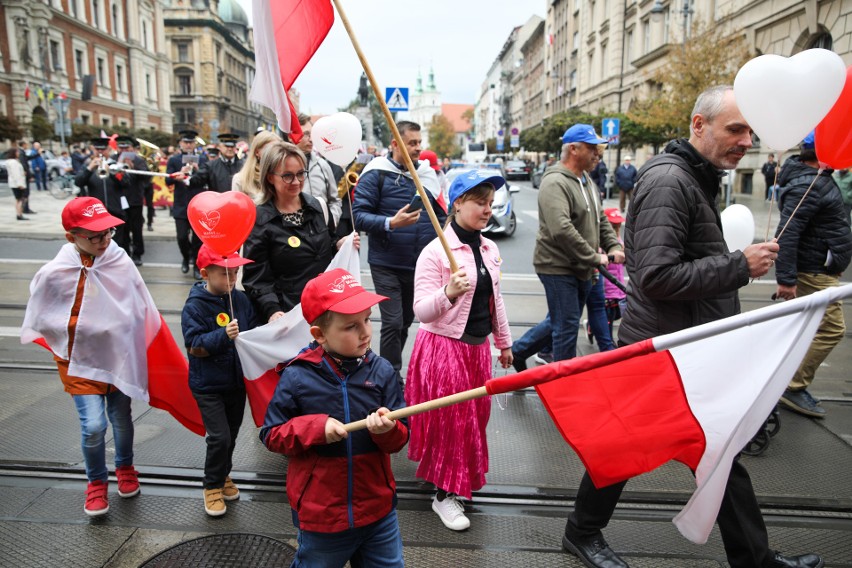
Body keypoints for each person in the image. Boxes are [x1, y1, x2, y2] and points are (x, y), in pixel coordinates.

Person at [561, 85, 821, 568]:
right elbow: (657, 277)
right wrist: (738, 265)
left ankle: (754, 558)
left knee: (717, 454)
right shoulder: (670, 181)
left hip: (686, 344)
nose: (746, 140)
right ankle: (581, 532)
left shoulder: (694, 176)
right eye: (735, 129)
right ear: (699, 126)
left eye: (751, 131)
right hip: (662, 350)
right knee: (638, 449)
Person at [260, 268, 408, 567]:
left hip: (378, 512)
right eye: (351, 326)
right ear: (319, 334)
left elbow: (400, 438)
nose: (366, 332)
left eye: (368, 319)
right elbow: (272, 434)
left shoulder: (382, 372)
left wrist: (387, 431)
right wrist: (315, 428)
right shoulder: (297, 377)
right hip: (322, 518)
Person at [20, 197, 144, 517]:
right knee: (93, 425)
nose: (104, 241)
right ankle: (96, 482)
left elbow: (137, 305)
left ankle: (125, 467)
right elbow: (43, 312)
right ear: (71, 237)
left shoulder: (118, 258)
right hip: (78, 359)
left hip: (116, 357)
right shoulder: (57, 270)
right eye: (95, 236)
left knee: (121, 419)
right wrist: (78, 326)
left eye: (108, 233)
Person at [405, 170, 513, 531]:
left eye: (490, 204)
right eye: (480, 203)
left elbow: (494, 300)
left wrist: (504, 343)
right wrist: (448, 292)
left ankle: (453, 482)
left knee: (473, 422)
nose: (487, 210)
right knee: (451, 423)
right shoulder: (436, 251)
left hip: (477, 351)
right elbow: (421, 311)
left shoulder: (489, 247)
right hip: (443, 349)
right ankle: (443, 496)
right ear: (458, 204)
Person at [353, 120, 447, 383]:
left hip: (419, 264)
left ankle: (386, 370)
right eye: (412, 143)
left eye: (419, 143)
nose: (418, 148)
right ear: (395, 144)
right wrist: (390, 223)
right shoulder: (376, 173)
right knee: (393, 322)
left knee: (406, 320)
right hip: (386, 262)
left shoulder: (428, 175)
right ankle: (389, 377)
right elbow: (358, 216)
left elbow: (441, 216)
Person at [774, 132, 852, 419]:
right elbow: (788, 232)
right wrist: (786, 279)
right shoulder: (808, 184)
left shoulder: (815, 179)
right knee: (832, 329)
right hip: (812, 271)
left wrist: (836, 257)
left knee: (805, 328)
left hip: (819, 267)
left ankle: (786, 381)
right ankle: (791, 385)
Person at [534, 124, 624, 364]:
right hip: (558, 266)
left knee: (562, 321)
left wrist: (613, 246)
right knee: (566, 329)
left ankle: (520, 352)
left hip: (581, 266)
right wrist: (595, 257)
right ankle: (562, 388)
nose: (597, 154)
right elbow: (561, 229)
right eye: (592, 148)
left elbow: (600, 218)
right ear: (573, 149)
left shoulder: (585, 180)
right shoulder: (555, 182)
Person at [242, 141, 356, 323]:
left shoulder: (317, 206)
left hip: (326, 306)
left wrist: (339, 244)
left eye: (301, 174)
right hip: (290, 313)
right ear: (270, 177)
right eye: (287, 176)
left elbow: (328, 243)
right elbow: (256, 277)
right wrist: (272, 310)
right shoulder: (259, 219)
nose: (296, 182)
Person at [181, 244, 256, 517]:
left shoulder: (240, 299)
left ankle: (224, 473)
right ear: (204, 274)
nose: (232, 280)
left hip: (236, 383)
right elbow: (195, 346)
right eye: (225, 274)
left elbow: (254, 331)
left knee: (231, 434)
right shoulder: (195, 305)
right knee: (219, 437)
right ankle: (211, 485)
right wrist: (223, 335)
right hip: (208, 385)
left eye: (235, 273)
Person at [75, 137, 131, 253]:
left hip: (115, 210)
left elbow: (126, 183)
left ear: (108, 149)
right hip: (96, 213)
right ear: (93, 149)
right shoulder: (87, 165)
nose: (100, 152)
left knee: (117, 244)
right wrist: (90, 169)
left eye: (103, 149)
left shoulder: (116, 164)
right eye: (97, 149)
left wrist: (112, 173)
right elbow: (78, 182)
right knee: (97, 244)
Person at [167, 129, 208, 278]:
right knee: (182, 237)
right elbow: (167, 180)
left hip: (198, 206)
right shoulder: (174, 160)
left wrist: (198, 171)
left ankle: (197, 266)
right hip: (181, 204)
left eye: (191, 142)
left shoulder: (203, 160)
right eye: (186, 142)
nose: (188, 145)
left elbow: (207, 179)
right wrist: (179, 172)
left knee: (198, 239)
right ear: (180, 143)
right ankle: (186, 257)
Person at [296, 114, 343, 225]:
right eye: (306, 134)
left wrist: (331, 222)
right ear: (291, 135)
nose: (311, 139)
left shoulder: (322, 165)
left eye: (312, 134)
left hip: (322, 234)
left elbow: (335, 200)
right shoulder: (281, 165)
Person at [115, 135, 149, 266]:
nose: (123, 150)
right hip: (119, 200)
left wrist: (132, 167)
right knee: (122, 228)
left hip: (135, 200)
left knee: (136, 229)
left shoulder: (138, 160)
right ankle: (124, 253)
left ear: (132, 148)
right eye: (121, 147)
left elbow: (146, 179)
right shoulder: (113, 159)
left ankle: (137, 254)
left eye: (127, 147)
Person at [232, 130, 280, 198]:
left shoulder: (284, 177)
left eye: (277, 149)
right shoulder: (240, 180)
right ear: (257, 152)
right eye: (268, 149)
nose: (273, 153)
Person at [602, 208, 627, 337]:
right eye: (613, 225)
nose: (616, 228)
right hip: (607, 289)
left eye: (617, 225)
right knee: (608, 319)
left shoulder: (619, 241)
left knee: (617, 314)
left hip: (618, 287)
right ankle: (608, 341)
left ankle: (592, 324)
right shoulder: (603, 243)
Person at [3, 148, 29, 220]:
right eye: (17, 152)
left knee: (18, 199)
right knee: (20, 199)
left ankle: (19, 213)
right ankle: (19, 214)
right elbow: (16, 174)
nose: (18, 153)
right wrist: (20, 184)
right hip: (17, 183)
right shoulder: (13, 162)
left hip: (13, 183)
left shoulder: (10, 162)